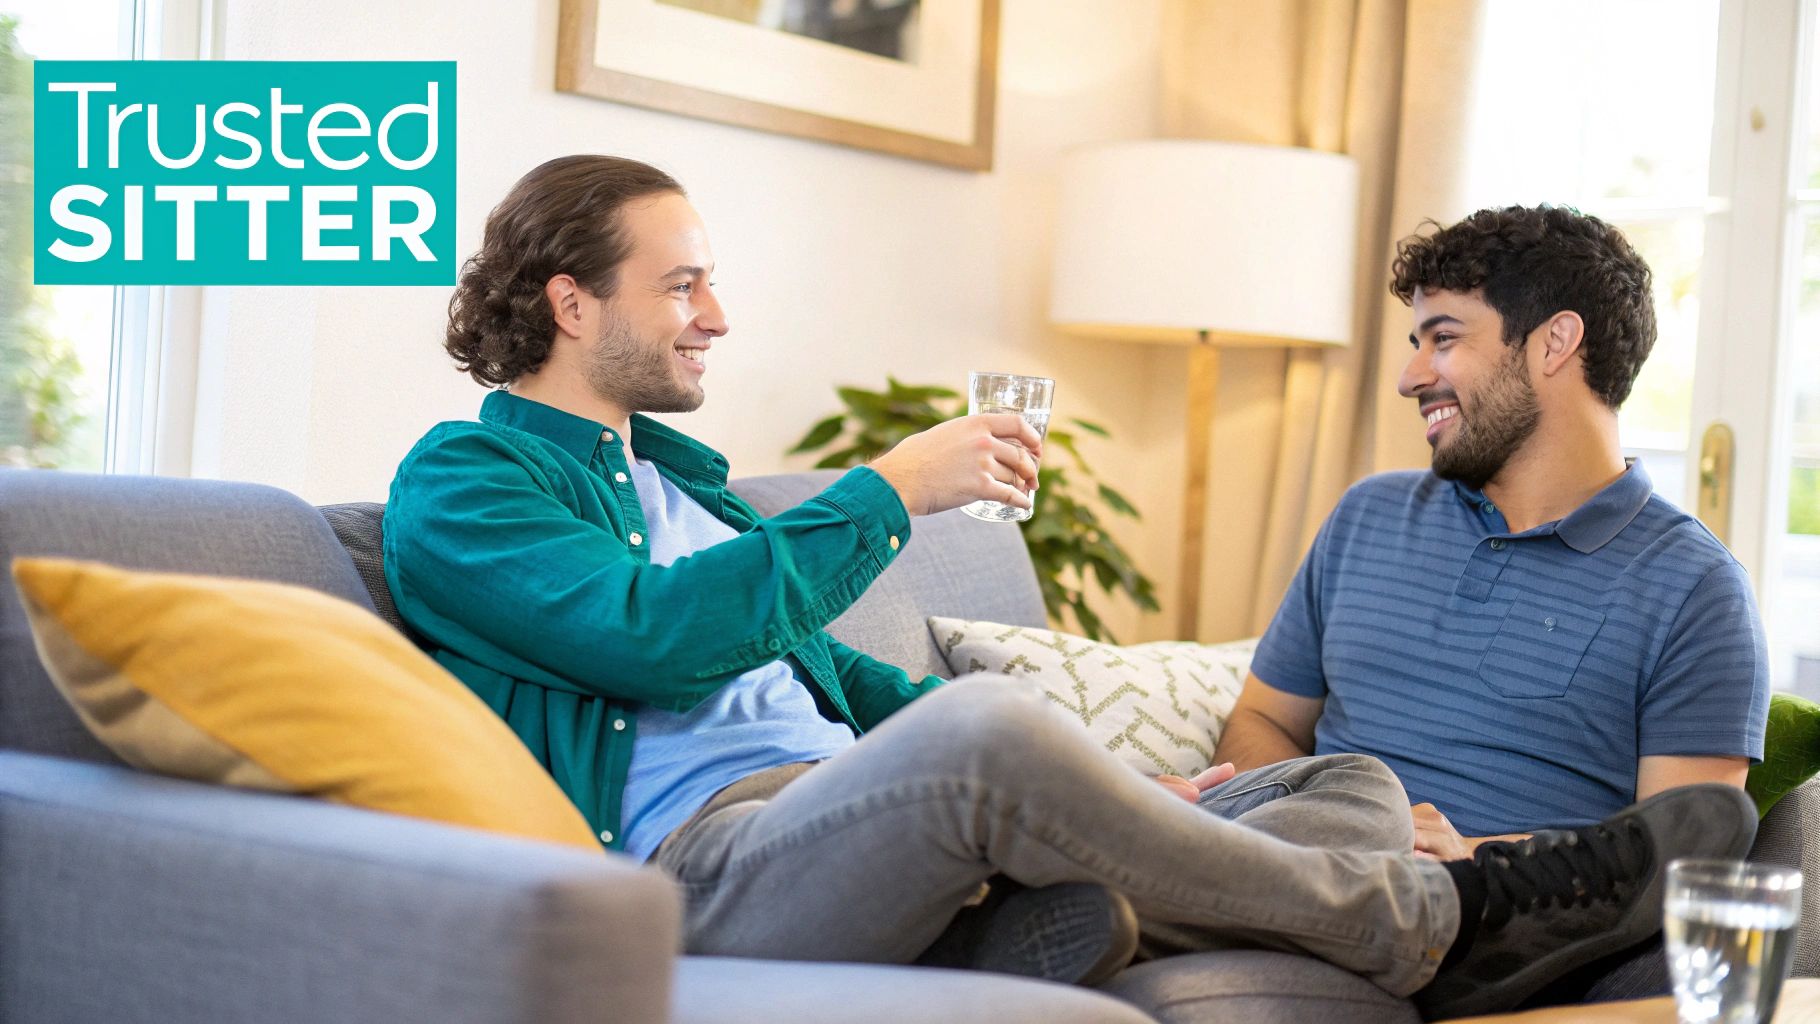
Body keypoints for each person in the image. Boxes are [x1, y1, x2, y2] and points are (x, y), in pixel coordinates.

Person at [383, 158, 1755, 1020]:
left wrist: (1115, 786)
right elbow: (652, 643)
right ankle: (1438, 921)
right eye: (683, 286)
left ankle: (1065, 915)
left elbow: (846, 677)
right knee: (989, 735)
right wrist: (893, 490)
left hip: (853, 822)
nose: (719, 317)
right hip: (713, 865)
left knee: (1351, 793)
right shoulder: (466, 484)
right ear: (570, 304)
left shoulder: (694, 486)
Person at [1214, 205, 1770, 868]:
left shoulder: (1696, 590)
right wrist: (1317, 826)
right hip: (1291, 873)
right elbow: (1261, 721)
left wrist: (1472, 856)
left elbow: (1675, 861)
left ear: (1554, 343)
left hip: (1466, 928)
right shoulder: (1367, 516)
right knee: (1086, 790)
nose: (1410, 377)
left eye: (1442, 339)